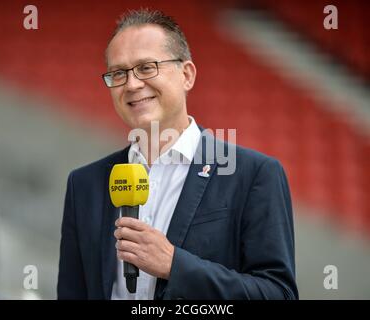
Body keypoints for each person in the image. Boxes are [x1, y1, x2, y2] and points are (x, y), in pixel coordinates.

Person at [57, 9, 298, 300]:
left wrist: (175, 265)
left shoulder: (252, 174)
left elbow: (278, 294)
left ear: (186, 75)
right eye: (119, 73)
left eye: (146, 67)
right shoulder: (84, 184)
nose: (132, 84)